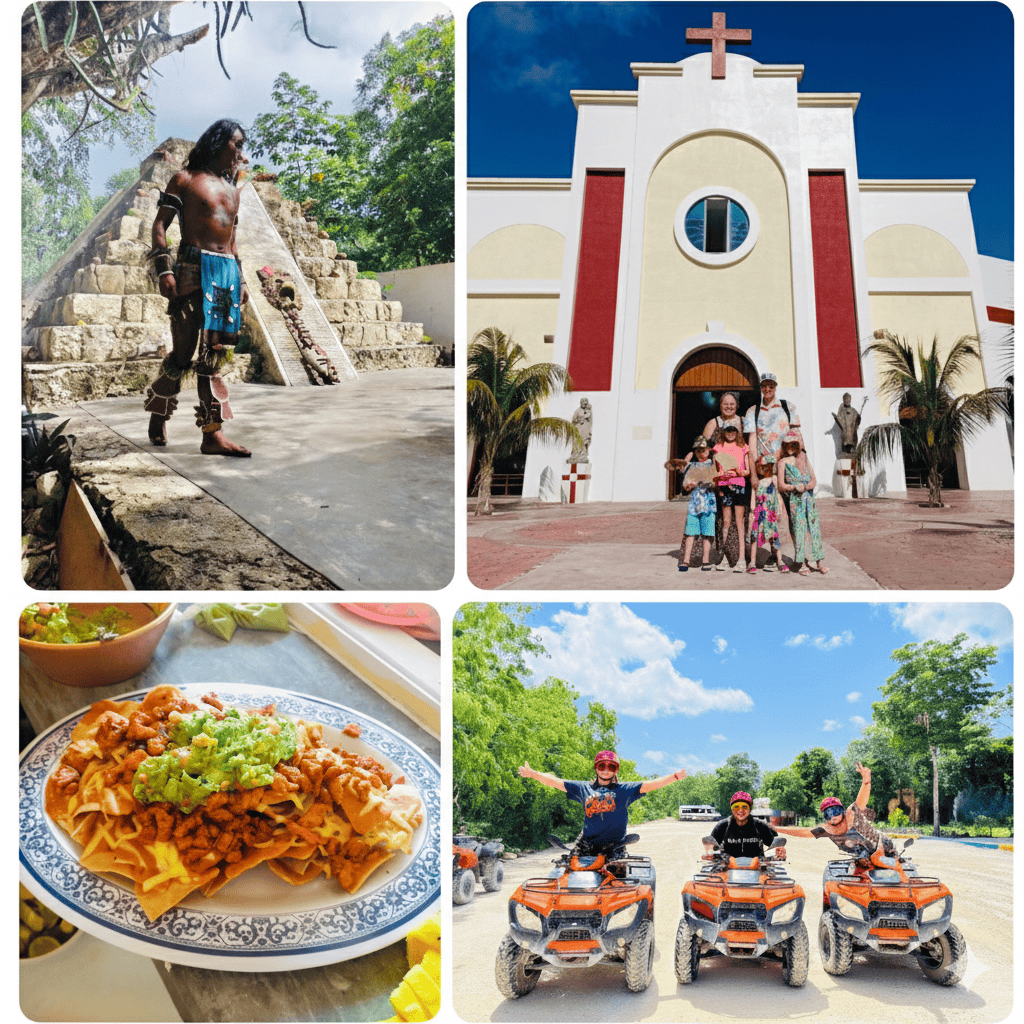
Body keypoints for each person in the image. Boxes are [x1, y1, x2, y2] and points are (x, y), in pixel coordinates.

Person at [144, 119, 252, 457]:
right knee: (182, 354)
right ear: (219, 142)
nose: (241, 153)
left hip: (225, 276)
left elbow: (232, 241)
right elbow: (160, 225)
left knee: (212, 356)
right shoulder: (185, 179)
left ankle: (212, 435)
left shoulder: (234, 191)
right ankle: (159, 412)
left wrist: (241, 279)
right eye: (237, 144)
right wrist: (164, 270)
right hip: (191, 271)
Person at [518, 751, 687, 859]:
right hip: (586, 844)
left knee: (618, 886)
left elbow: (651, 784)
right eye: (602, 766)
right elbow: (557, 782)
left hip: (615, 846)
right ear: (596, 768)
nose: (606, 770)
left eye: (611, 766)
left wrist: (674, 777)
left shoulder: (625, 790)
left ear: (616, 770)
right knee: (568, 875)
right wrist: (534, 774)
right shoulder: (584, 788)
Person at [773, 762, 896, 859]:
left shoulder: (850, 815)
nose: (834, 816)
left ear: (842, 810)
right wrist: (777, 829)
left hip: (882, 845)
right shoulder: (827, 829)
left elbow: (861, 801)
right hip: (863, 856)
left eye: (836, 811)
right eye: (829, 814)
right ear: (825, 817)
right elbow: (804, 832)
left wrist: (866, 782)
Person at [743, 373, 800, 569]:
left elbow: (797, 437)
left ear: (776, 387)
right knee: (766, 515)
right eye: (764, 386)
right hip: (765, 474)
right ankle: (774, 556)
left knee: (793, 514)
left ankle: (799, 556)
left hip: (788, 470)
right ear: (760, 388)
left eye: (771, 386)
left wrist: (800, 465)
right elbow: (751, 444)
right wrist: (753, 473)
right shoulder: (753, 411)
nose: (767, 389)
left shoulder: (788, 407)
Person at [777, 431, 828, 575]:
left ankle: (819, 562)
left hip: (809, 498)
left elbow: (814, 479)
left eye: (793, 444)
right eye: (787, 445)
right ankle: (801, 563)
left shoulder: (804, 458)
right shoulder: (782, 462)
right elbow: (781, 485)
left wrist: (807, 486)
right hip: (796, 499)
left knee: (814, 529)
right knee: (799, 529)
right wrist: (794, 487)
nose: (790, 448)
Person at [667, 435, 717, 571]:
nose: (701, 453)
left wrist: (709, 482)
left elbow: (716, 482)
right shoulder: (691, 466)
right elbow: (685, 487)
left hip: (709, 505)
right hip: (694, 506)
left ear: (709, 451)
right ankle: (686, 560)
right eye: (698, 451)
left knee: (707, 533)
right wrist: (689, 485)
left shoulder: (713, 465)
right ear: (695, 452)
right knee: (690, 533)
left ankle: (705, 560)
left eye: (704, 450)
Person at [712, 422, 751, 572]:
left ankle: (741, 559)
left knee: (740, 521)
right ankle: (725, 558)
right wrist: (720, 476)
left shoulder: (743, 446)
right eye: (728, 431)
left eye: (733, 431)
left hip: (739, 485)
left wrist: (739, 471)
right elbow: (714, 470)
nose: (730, 433)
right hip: (724, 486)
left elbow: (747, 470)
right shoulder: (718, 447)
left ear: (737, 432)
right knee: (726, 522)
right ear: (723, 432)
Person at [748, 456, 788, 573]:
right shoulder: (756, 482)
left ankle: (780, 561)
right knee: (754, 537)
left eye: (768, 466)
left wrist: (779, 510)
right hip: (759, 512)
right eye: (763, 467)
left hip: (770, 513)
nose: (766, 469)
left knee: (774, 537)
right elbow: (753, 497)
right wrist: (752, 511)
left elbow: (778, 495)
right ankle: (752, 562)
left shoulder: (773, 479)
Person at [709, 791, 778, 859]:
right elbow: (711, 849)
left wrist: (779, 851)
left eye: (744, 807)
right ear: (732, 809)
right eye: (736, 807)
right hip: (728, 864)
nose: (740, 810)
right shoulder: (722, 826)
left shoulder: (760, 825)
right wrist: (726, 858)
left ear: (750, 809)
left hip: (756, 864)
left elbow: (774, 846)